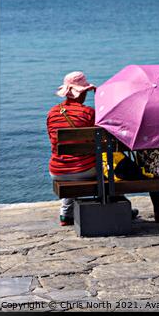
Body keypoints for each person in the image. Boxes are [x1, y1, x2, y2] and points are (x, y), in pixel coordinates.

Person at [47, 71, 98, 226]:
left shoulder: (52, 113)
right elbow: (98, 140)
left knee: (71, 164)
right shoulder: (88, 113)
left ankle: (65, 213)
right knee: (106, 165)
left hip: (56, 171)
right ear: (81, 92)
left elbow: (53, 142)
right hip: (84, 170)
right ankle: (116, 207)